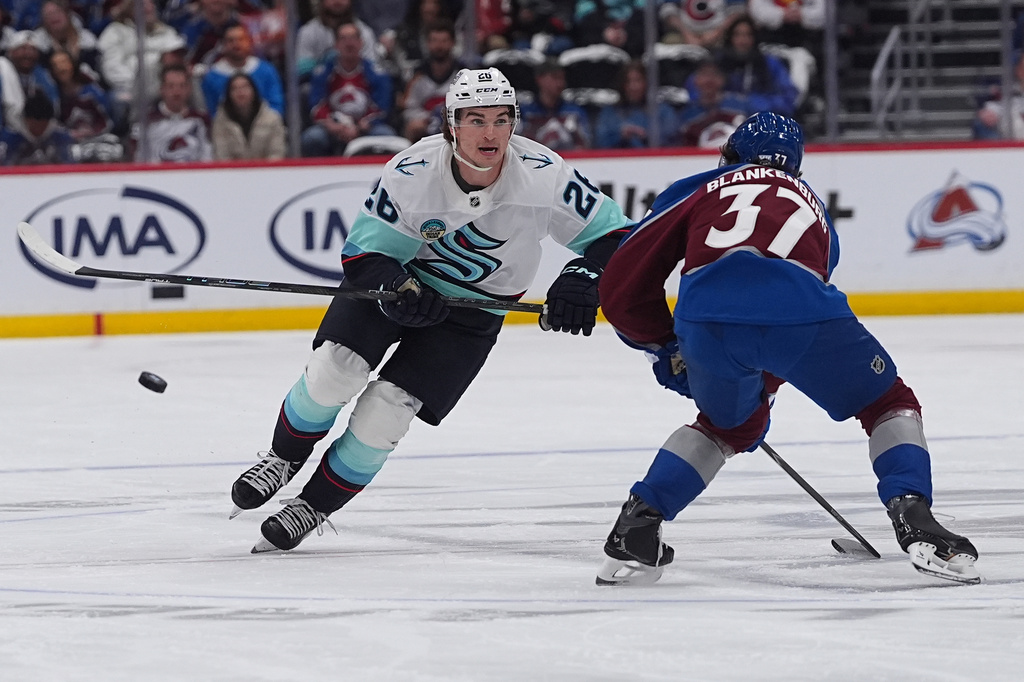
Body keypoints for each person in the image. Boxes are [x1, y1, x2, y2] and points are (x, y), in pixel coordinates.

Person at [229, 67, 633, 553]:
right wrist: (395, 284)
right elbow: (363, 256)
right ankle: (282, 457)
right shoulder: (412, 173)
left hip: (474, 314)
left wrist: (585, 276)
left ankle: (313, 506)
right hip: (399, 289)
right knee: (333, 371)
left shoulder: (545, 175)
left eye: (502, 120)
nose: (491, 133)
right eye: (476, 119)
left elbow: (622, 240)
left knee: (386, 413)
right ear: (451, 125)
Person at [593, 112, 981, 586]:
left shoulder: (703, 186)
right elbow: (789, 314)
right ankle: (912, 515)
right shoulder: (810, 202)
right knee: (886, 402)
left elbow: (623, 280)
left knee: (724, 427)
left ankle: (639, 524)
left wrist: (666, 346)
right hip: (799, 312)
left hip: (706, 321)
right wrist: (767, 383)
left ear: (730, 155)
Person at [300, 20, 395, 157]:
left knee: (385, 135)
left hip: (365, 127)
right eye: (344, 39)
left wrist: (359, 126)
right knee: (312, 138)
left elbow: (381, 107)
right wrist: (333, 125)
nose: (349, 43)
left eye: (353, 38)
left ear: (361, 43)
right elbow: (317, 105)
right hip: (333, 126)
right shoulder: (323, 73)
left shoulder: (376, 73)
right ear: (336, 44)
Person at [97, 0, 186, 127]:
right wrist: (137, 84)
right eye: (142, 4)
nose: (148, 7)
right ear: (130, 9)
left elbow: (179, 57)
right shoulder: (115, 31)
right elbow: (111, 68)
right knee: (117, 99)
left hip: (164, 87)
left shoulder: (166, 32)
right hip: (130, 88)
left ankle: (198, 120)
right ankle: (129, 136)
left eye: (150, 3)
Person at [714, 15, 799, 117]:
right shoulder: (716, 63)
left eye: (748, 35)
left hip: (761, 122)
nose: (742, 40)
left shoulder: (770, 63)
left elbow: (788, 99)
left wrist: (752, 103)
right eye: (737, 35)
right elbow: (696, 93)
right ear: (730, 38)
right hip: (720, 121)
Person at [398, 18, 464, 143]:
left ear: (453, 43)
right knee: (413, 127)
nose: (439, 46)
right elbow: (408, 109)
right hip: (425, 122)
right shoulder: (416, 75)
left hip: (456, 123)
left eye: (444, 41)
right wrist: (429, 118)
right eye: (435, 41)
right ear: (427, 43)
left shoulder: (464, 74)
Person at [132, 63, 213, 162]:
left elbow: (208, 155)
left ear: (189, 89)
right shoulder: (147, 120)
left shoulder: (201, 120)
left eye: (182, 86)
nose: (176, 92)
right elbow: (137, 157)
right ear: (162, 89)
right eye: (171, 86)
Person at [201, 23, 284, 116]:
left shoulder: (266, 70)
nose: (236, 44)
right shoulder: (212, 77)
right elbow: (212, 111)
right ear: (223, 45)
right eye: (231, 41)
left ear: (249, 41)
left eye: (241, 39)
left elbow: (276, 104)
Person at [594, 59, 678, 149]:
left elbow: (673, 140)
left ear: (646, 82)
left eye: (637, 81)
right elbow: (600, 142)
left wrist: (646, 137)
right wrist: (620, 136)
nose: (632, 87)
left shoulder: (663, 111)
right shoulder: (609, 112)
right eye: (628, 81)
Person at [518, 58, 591, 150]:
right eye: (555, 77)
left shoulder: (575, 111)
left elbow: (585, 145)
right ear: (539, 79)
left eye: (562, 78)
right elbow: (518, 145)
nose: (560, 83)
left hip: (569, 161)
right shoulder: (524, 112)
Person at [210, 71, 286, 159]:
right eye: (235, 89)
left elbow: (277, 154)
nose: (241, 92)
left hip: (267, 171)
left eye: (245, 87)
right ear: (228, 94)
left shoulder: (273, 119)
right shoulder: (220, 122)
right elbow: (221, 156)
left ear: (254, 90)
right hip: (232, 171)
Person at [0, 89, 75, 164]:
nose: (39, 129)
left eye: (43, 125)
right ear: (26, 120)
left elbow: (69, 163)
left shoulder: (61, 137)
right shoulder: (8, 139)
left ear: (49, 122)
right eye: (35, 125)